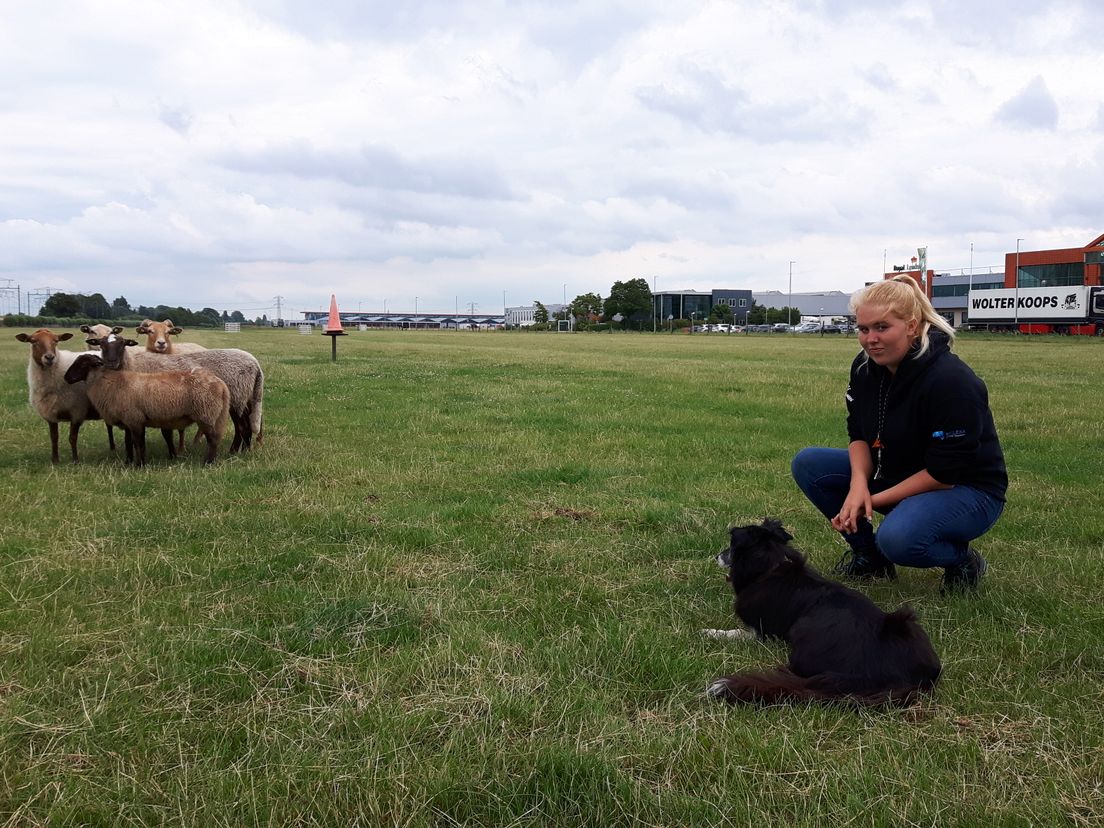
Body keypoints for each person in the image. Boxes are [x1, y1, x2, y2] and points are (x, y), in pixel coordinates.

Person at [791, 274, 1007, 592]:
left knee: (899, 539)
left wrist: (867, 501)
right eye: (863, 329)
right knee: (810, 463)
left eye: (882, 327)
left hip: (965, 489)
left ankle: (962, 560)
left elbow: (944, 474)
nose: (870, 339)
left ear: (911, 325)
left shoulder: (951, 381)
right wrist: (857, 487)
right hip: (897, 472)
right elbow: (859, 436)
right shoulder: (866, 368)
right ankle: (870, 557)